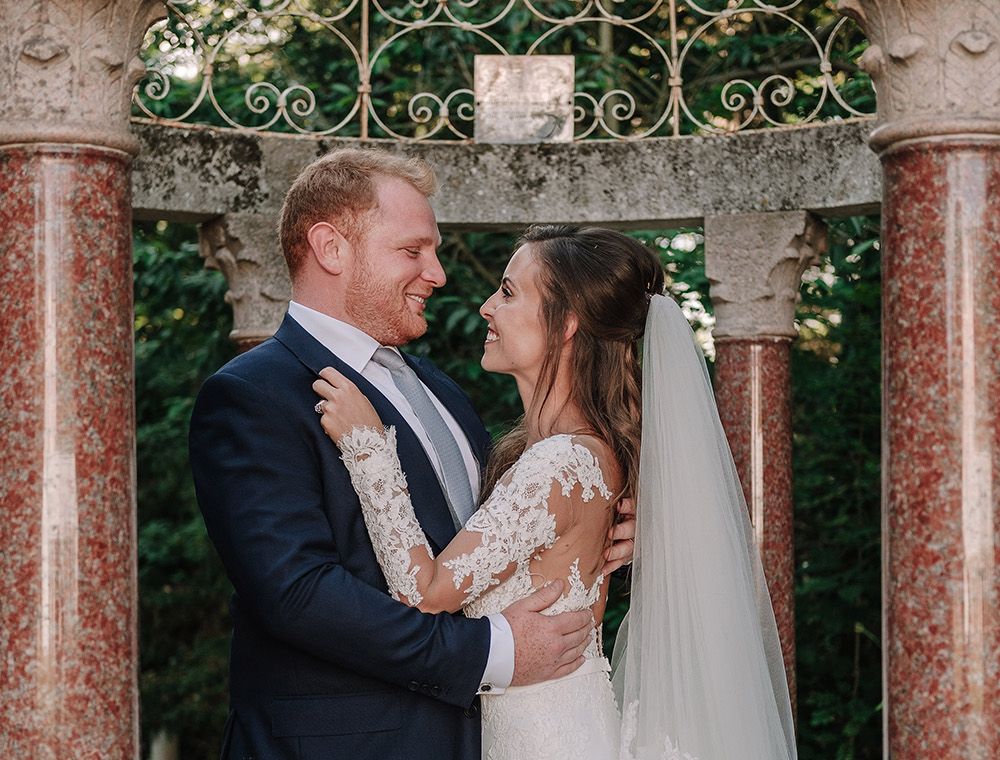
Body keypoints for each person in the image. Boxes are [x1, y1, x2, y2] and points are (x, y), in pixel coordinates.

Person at [189, 149, 636, 760]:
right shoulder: (251, 396)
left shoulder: (443, 390)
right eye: (413, 251)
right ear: (331, 248)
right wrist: (495, 653)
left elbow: (503, 544)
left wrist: (605, 531)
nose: (439, 274)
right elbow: (297, 596)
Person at [312, 225, 798, 760]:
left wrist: (367, 448)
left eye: (508, 291)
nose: (485, 307)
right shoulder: (587, 453)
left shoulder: (561, 461)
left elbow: (424, 592)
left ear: (566, 324)